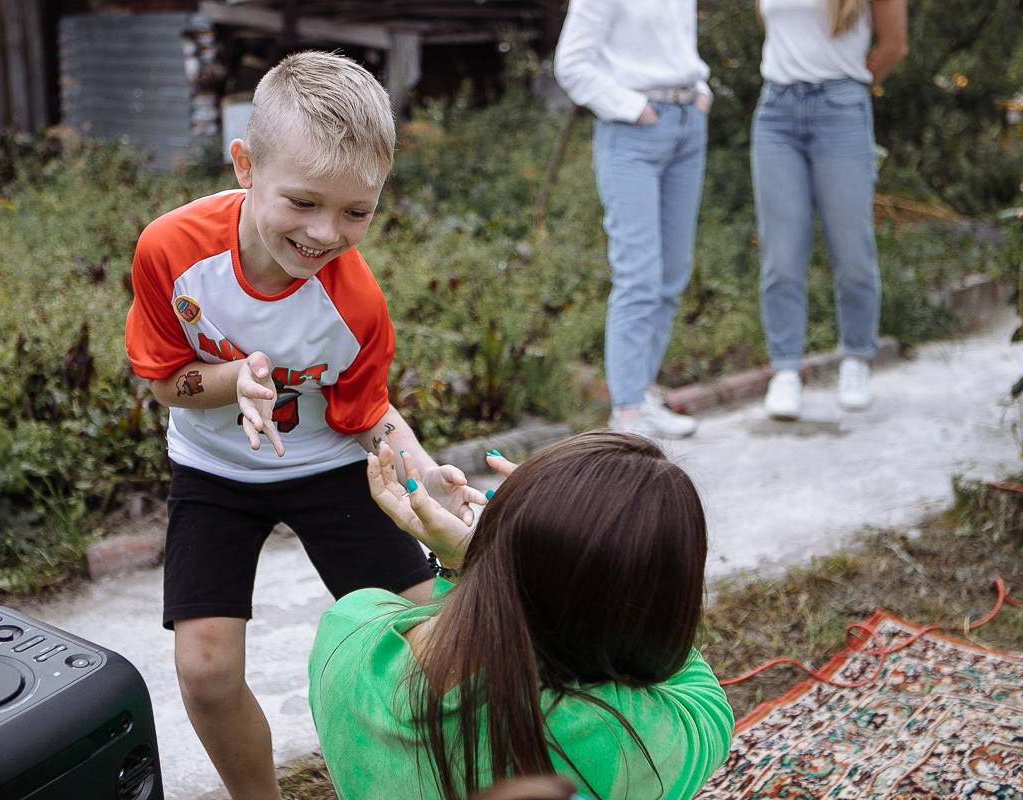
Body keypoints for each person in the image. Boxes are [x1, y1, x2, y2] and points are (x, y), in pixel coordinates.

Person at [124, 51, 485, 800]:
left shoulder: (356, 305)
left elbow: (368, 415)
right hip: (215, 470)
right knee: (205, 670)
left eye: (356, 212)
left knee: (440, 642)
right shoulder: (170, 250)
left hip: (329, 467)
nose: (325, 233)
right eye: (303, 202)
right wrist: (231, 381)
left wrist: (430, 483)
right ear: (245, 166)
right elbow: (163, 380)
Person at [308, 431, 734, 800]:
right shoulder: (613, 733)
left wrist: (475, 558)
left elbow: (477, 612)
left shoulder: (346, 629)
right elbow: (709, 712)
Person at [553, 0, 713, 439]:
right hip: (632, 132)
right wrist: (633, 106)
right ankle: (627, 414)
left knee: (673, 272)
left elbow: (677, 46)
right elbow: (571, 64)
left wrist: (701, 91)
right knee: (638, 274)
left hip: (688, 124)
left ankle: (642, 395)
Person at [753, 0, 908, 420]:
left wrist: (852, 88)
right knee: (781, 255)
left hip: (841, 111)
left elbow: (895, 45)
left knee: (852, 250)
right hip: (775, 113)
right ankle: (785, 369)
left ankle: (856, 358)